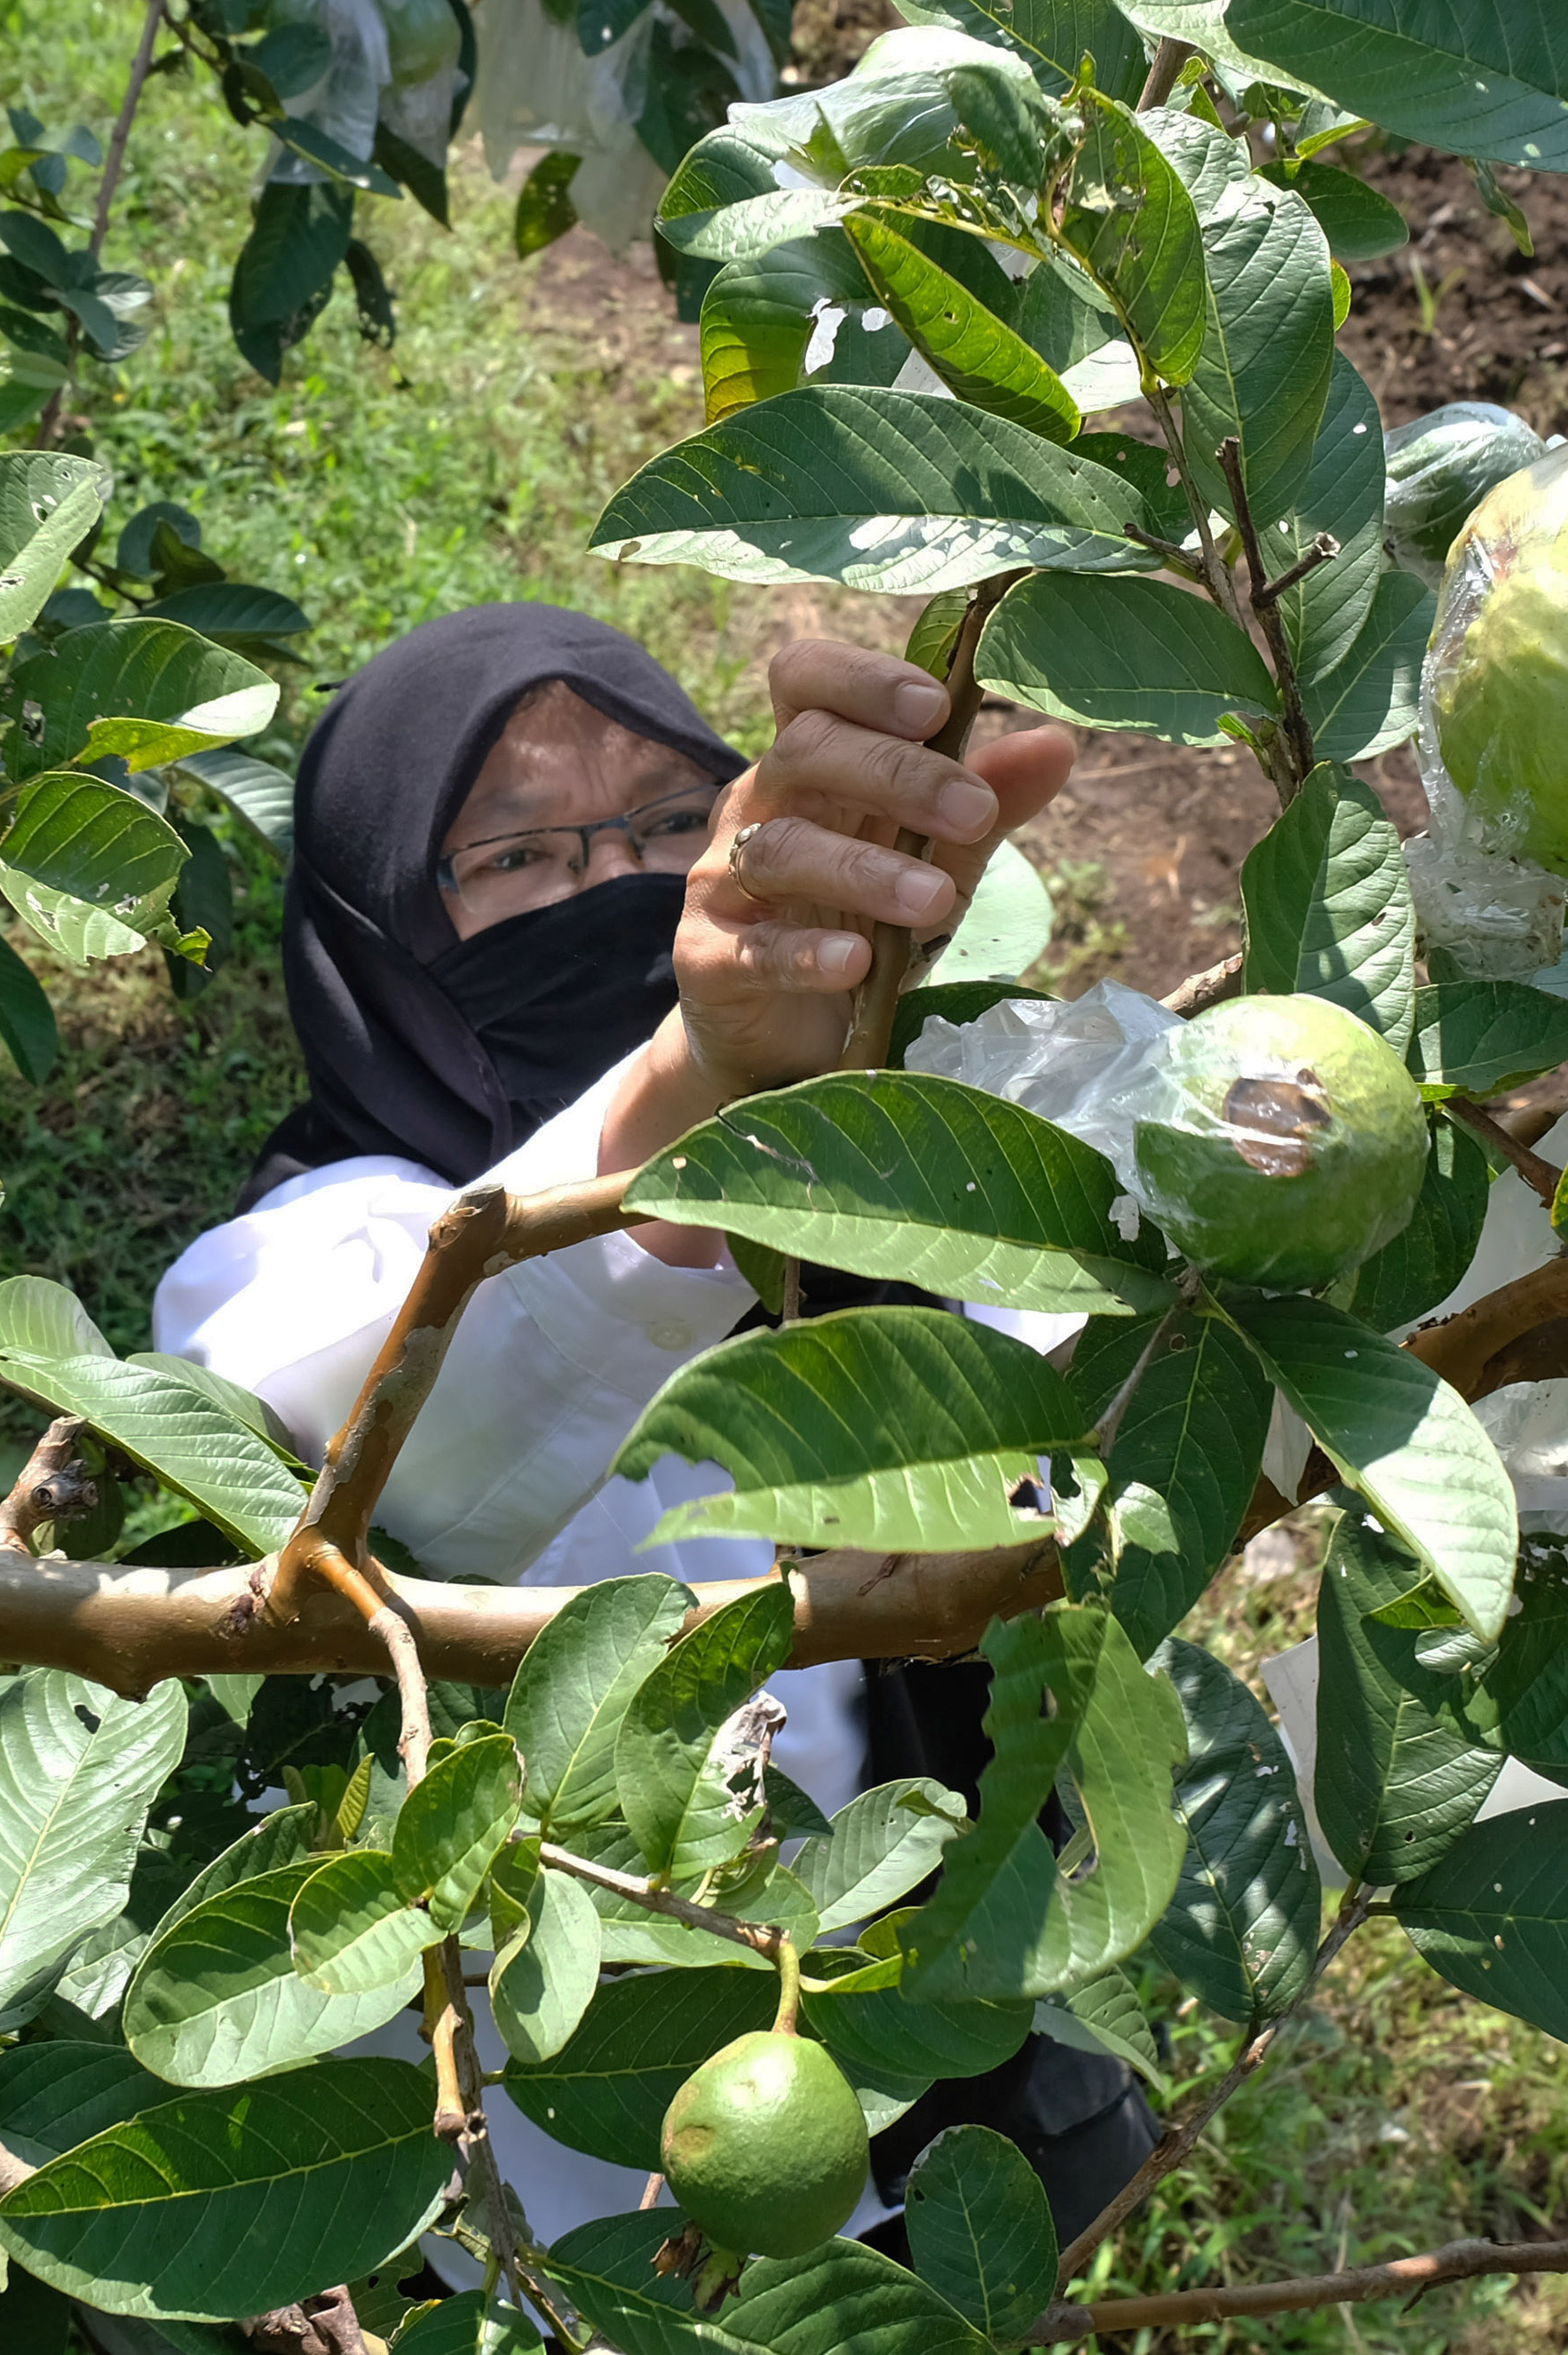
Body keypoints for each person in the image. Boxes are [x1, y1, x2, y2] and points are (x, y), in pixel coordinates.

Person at [153, 603, 1153, 2256]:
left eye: (668, 827)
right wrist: (699, 1076)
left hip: (923, 2045)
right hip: (535, 2132)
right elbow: (423, 1429)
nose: (607, 891)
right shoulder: (301, 1256)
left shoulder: (920, 1199)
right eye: (519, 857)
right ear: (376, 936)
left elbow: (1168, 1420)